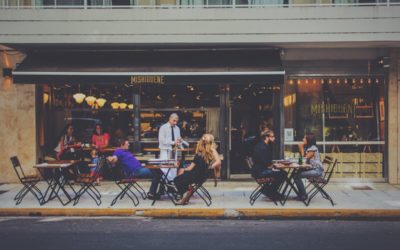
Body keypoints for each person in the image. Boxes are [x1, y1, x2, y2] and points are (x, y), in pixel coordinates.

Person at [173, 134, 221, 205]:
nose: (203, 138)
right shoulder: (212, 150)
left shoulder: (200, 153)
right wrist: (210, 167)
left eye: (205, 137)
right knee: (183, 179)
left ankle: (185, 194)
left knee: (176, 180)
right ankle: (185, 197)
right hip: (203, 176)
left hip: (195, 175)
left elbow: (190, 168)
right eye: (203, 137)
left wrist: (183, 169)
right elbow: (218, 161)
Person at [252, 130, 287, 200]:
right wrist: (275, 165)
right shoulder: (262, 148)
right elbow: (266, 163)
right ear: (266, 137)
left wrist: (275, 164)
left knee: (282, 173)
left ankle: (269, 190)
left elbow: (267, 162)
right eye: (272, 137)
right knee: (282, 174)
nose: (274, 138)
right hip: (260, 172)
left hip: (261, 169)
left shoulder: (265, 145)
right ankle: (269, 191)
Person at [158, 113, 187, 180]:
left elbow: (178, 139)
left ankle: (172, 184)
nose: (175, 123)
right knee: (164, 168)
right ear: (170, 119)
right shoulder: (163, 127)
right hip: (165, 150)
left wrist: (180, 141)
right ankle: (163, 184)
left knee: (173, 168)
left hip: (174, 150)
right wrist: (173, 142)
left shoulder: (177, 128)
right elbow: (162, 140)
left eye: (176, 121)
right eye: (174, 121)